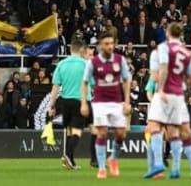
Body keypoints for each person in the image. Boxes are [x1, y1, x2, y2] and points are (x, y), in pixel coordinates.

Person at [143, 23, 191, 179]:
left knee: (154, 127)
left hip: (163, 94)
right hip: (178, 95)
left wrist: (162, 87)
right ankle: (178, 168)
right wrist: (180, 81)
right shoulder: (185, 52)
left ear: (167, 33)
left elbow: (159, 73)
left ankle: (158, 163)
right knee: (178, 131)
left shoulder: (161, 49)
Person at [81, 33, 132, 179]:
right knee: (102, 132)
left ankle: (113, 158)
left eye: (112, 43)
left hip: (116, 102)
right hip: (100, 102)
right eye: (107, 44)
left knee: (121, 134)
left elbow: (126, 80)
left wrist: (127, 102)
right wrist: (84, 103)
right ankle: (102, 168)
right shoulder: (93, 62)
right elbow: (84, 82)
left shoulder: (119, 60)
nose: (110, 46)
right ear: (100, 46)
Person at [48, 39, 93, 170]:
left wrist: (52, 106)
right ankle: (67, 155)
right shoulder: (86, 64)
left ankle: (71, 162)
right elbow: (93, 83)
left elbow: (55, 87)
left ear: (70, 49)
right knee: (77, 132)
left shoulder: (61, 64)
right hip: (81, 100)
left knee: (69, 131)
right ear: (82, 51)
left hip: (65, 102)